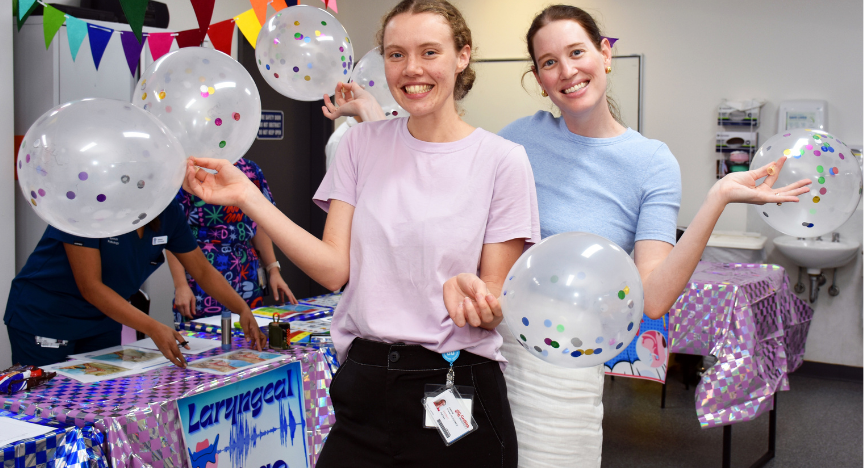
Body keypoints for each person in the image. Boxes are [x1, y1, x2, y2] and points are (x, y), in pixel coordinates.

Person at [320, 5, 810, 466]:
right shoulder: (518, 141)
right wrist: (370, 116)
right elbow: (433, 164)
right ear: (538, 80)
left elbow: (654, 298)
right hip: (483, 353)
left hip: (565, 371)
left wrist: (717, 199)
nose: (567, 71)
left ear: (605, 54)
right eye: (549, 62)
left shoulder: (651, 162)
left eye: (576, 53)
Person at [183, 1, 539, 465]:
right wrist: (249, 197)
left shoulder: (502, 160)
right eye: (396, 54)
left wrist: (477, 299)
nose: (411, 69)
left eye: (429, 52)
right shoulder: (360, 144)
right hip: (366, 382)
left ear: (462, 56)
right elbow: (333, 270)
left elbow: (494, 304)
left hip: (455, 381)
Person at [4, 200, 267, 368]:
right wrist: (152, 327)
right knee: (48, 402)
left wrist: (241, 309)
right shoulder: (87, 207)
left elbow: (202, 270)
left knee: (100, 394)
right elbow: (91, 286)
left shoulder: (168, 212)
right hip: (46, 316)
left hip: (101, 319)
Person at [167, 157, 297, 322]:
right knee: (204, 334)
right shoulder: (190, 171)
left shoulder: (249, 169)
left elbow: (259, 223)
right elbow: (174, 231)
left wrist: (273, 269)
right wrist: (181, 285)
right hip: (202, 269)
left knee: (250, 330)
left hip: (246, 271)